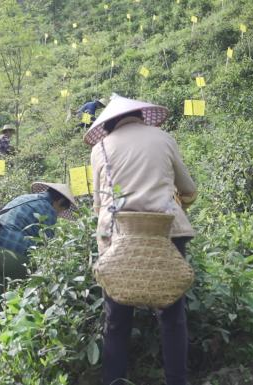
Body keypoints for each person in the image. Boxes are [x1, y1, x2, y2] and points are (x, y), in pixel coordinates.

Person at [84, 94, 198, 385]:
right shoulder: (163, 138)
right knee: (172, 316)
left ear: (107, 124)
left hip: (118, 237)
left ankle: (115, 379)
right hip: (167, 232)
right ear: (140, 116)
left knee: (116, 319)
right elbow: (188, 188)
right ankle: (176, 380)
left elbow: (99, 204)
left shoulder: (100, 149)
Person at [0, 182, 78, 338]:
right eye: (61, 210)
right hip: (14, 254)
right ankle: (21, 341)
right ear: (59, 202)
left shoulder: (24, 198)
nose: (59, 215)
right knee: (27, 298)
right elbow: (46, 250)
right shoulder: (48, 210)